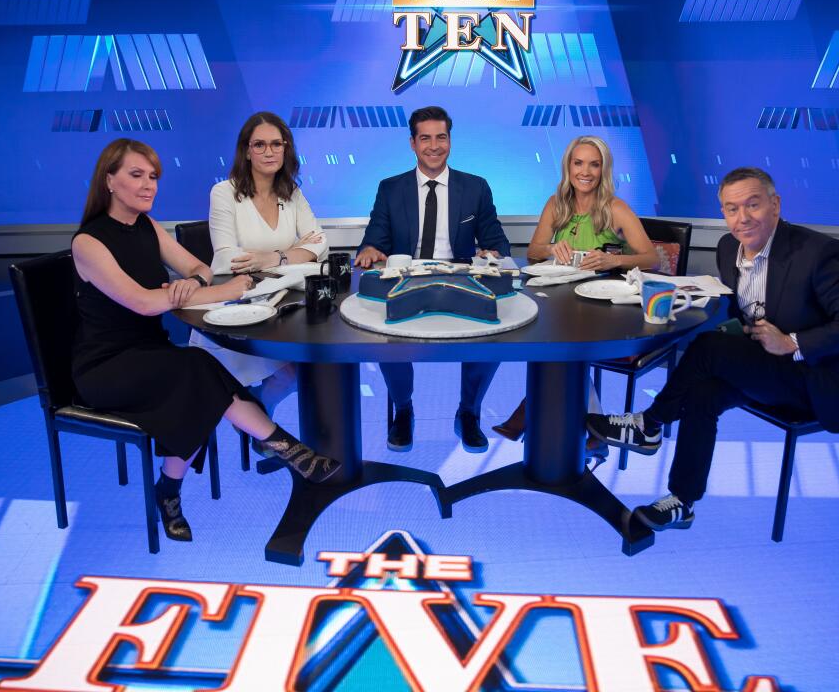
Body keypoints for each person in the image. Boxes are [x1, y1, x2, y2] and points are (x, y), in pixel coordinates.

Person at [70, 138, 340, 543]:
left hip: (151, 354)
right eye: (136, 175)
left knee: (196, 375)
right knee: (197, 370)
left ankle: (172, 489)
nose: (148, 185)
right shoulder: (88, 242)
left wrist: (192, 282)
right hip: (106, 366)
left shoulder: (147, 226)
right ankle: (285, 447)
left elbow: (198, 267)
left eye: (153, 177)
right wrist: (220, 291)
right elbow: (143, 303)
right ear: (109, 180)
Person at [588, 167, 839, 531]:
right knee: (703, 393)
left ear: (775, 205)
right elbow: (742, 309)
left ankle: (650, 424)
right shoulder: (728, 248)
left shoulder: (818, 253)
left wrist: (791, 343)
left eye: (753, 205)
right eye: (731, 209)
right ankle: (683, 500)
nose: (742, 218)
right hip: (766, 365)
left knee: (710, 347)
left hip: (816, 378)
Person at [354, 105, 510, 453]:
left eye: (441, 137)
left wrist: (493, 253)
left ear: (450, 141)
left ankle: (469, 412)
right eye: (426, 138)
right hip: (407, 280)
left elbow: (496, 240)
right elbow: (375, 238)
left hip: (461, 279)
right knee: (385, 334)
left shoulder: (475, 187)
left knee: (494, 333)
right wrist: (369, 251)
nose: (434, 146)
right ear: (412, 143)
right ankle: (404, 409)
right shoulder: (391, 188)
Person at [493, 135, 659, 444]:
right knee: (552, 336)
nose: (586, 171)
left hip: (605, 308)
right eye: (578, 163)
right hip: (563, 301)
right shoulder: (557, 204)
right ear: (568, 167)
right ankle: (593, 432)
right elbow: (533, 251)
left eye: (594, 164)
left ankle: (530, 412)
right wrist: (552, 248)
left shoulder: (616, 208)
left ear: (603, 170)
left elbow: (653, 259)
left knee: (565, 345)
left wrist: (614, 258)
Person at [190, 112, 326, 416]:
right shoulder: (224, 192)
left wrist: (272, 257)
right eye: (260, 145)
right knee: (294, 371)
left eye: (276, 144)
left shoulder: (291, 192)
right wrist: (291, 251)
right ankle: (262, 421)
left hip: (280, 303)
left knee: (312, 367)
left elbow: (320, 242)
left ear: (286, 148)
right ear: (246, 151)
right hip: (235, 306)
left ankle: (261, 412)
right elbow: (227, 258)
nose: (269, 152)